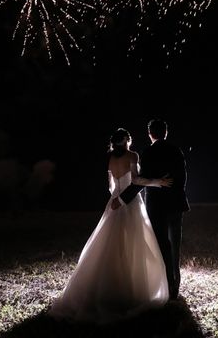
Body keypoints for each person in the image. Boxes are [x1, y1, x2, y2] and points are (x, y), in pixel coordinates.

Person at [48, 128, 173, 323]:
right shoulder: (133, 155)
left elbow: (110, 187)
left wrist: (117, 196)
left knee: (110, 243)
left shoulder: (110, 159)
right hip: (130, 203)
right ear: (127, 141)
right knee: (133, 242)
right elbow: (136, 180)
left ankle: (109, 287)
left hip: (113, 202)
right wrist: (157, 182)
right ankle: (131, 289)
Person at [112, 119, 190, 300]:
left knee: (163, 245)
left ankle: (169, 286)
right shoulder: (176, 150)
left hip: (157, 207)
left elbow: (140, 181)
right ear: (165, 132)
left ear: (150, 134)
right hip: (176, 205)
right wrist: (175, 193)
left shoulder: (148, 152)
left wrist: (122, 198)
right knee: (175, 246)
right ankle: (175, 285)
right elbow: (182, 177)